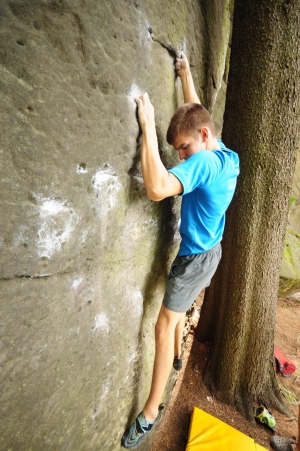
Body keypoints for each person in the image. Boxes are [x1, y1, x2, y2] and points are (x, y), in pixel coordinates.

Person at [121, 52, 240, 449]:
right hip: (212, 252)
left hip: (193, 260)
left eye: (184, 149)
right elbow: (197, 113)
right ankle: (175, 357)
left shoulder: (202, 164)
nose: (181, 157)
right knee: (180, 311)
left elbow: (156, 189)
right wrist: (186, 73)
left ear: (203, 138)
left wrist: (147, 125)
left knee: (161, 325)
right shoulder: (224, 154)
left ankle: (151, 411)